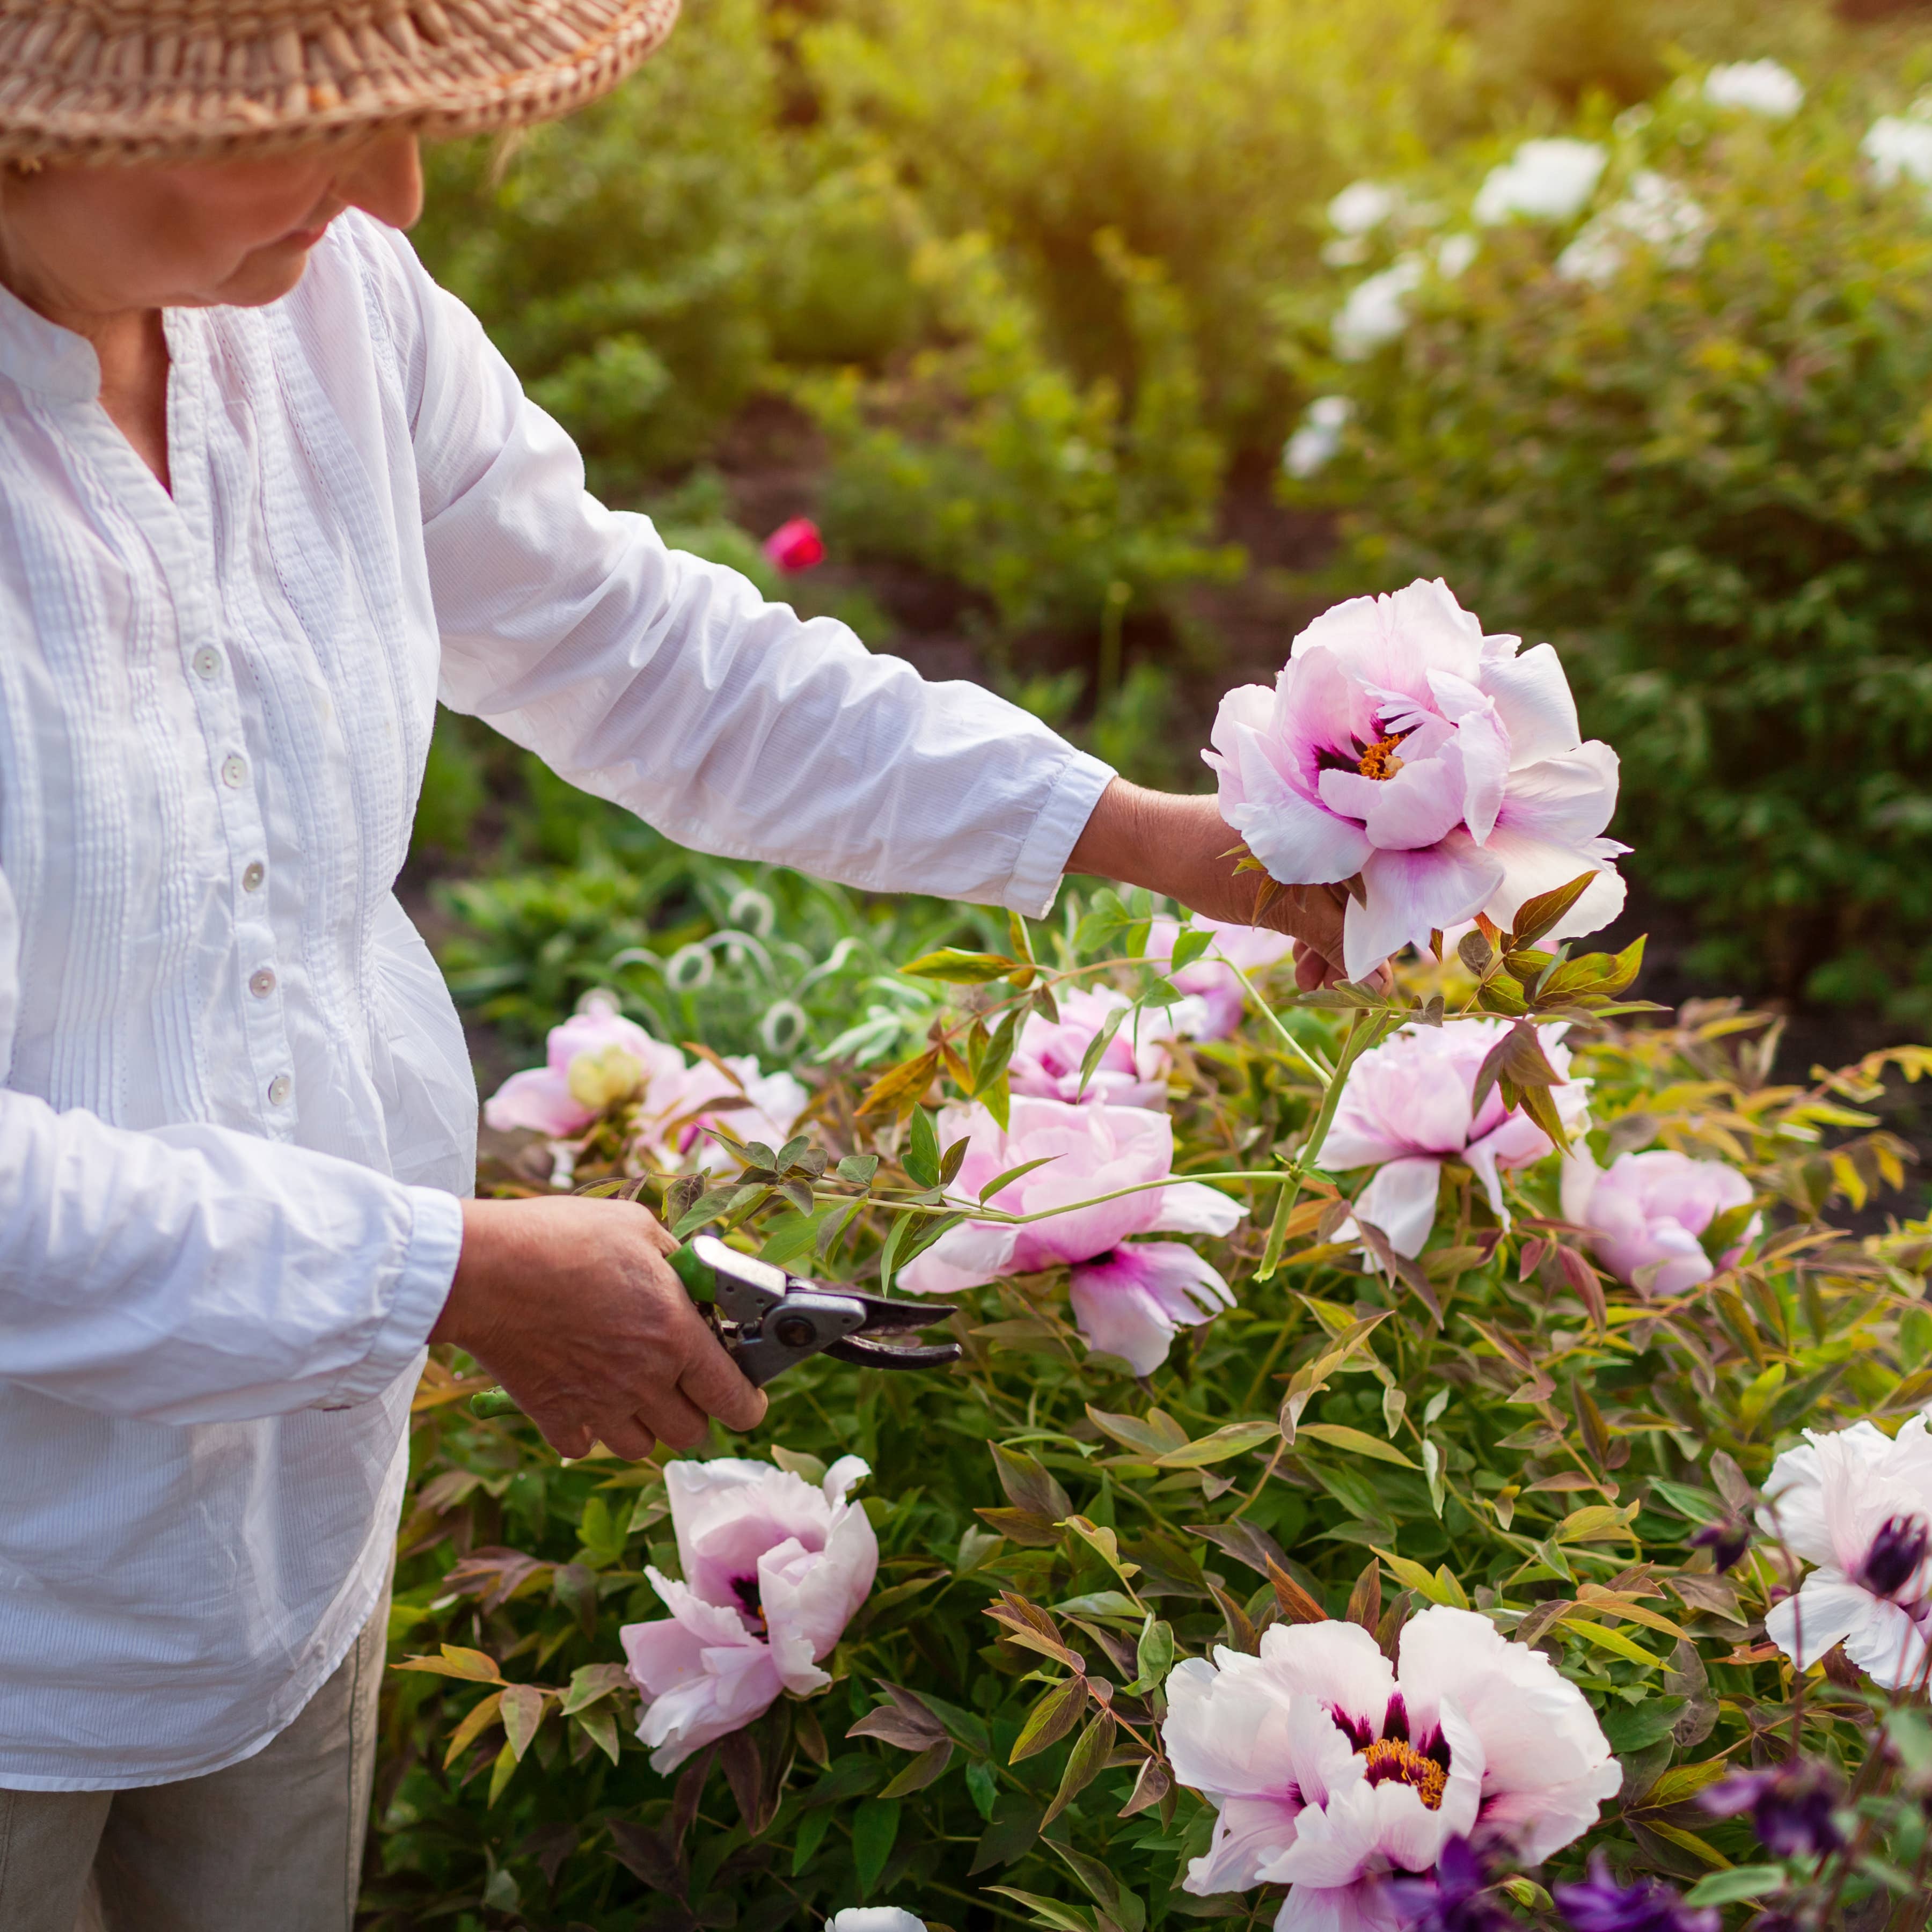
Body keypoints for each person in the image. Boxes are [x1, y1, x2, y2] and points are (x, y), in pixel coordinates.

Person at [0, 3, 1355, 1927]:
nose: (396, 188)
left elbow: (643, 653)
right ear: (41, 128)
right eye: (309, 127)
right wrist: (445, 1271)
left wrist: (1130, 834)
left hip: (284, 1536)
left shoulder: (331, 314)